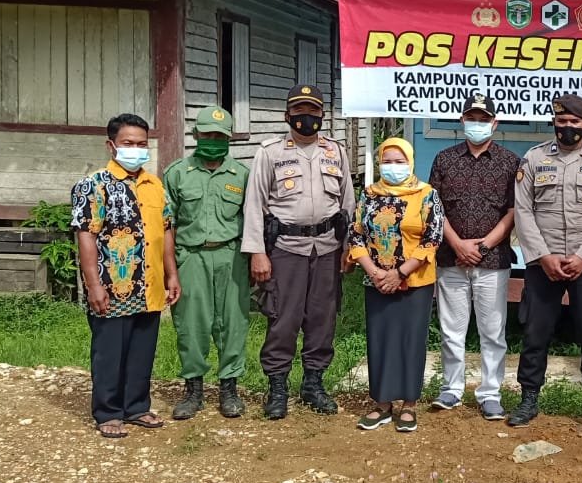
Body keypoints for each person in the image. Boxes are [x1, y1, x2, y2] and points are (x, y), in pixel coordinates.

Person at [510, 93, 582, 431]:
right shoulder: (533, 159)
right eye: (562, 121)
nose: (568, 127)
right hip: (542, 263)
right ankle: (529, 398)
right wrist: (542, 256)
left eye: (575, 122)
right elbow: (523, 210)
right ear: (554, 122)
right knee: (535, 331)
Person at [242, 84, 355, 419]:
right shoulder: (270, 152)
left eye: (313, 110)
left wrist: (349, 246)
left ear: (322, 114)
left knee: (322, 318)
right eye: (299, 110)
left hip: (328, 247)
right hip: (286, 248)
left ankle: (313, 384)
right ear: (287, 115)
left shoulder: (336, 151)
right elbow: (254, 204)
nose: (307, 116)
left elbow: (347, 203)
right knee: (283, 318)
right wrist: (257, 252)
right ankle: (277, 386)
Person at [72, 114, 181, 438]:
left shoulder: (155, 185)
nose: (136, 149)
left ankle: (136, 406)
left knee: (142, 351)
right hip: (112, 286)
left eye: (141, 144)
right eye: (128, 143)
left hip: (149, 286)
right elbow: (86, 236)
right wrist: (93, 285)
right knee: (110, 353)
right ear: (111, 145)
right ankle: (108, 412)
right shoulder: (94, 185)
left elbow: (165, 231)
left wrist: (172, 274)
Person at [427, 95, 520, 421]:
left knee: (492, 332)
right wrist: (457, 245)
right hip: (451, 259)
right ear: (462, 120)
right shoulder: (444, 159)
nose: (477, 124)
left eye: (483, 119)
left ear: (495, 123)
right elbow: (434, 207)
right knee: (451, 331)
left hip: (492, 262)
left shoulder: (510, 162)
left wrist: (482, 247)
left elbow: (514, 211)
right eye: (472, 118)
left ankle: (490, 393)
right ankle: (451, 389)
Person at [349, 138, 445, 433]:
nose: (393, 167)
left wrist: (399, 274)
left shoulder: (426, 194)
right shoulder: (369, 194)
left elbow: (433, 237)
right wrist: (375, 272)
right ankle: (381, 404)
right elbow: (356, 234)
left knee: (410, 341)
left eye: (399, 161)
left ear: (410, 162)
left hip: (415, 282)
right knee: (380, 340)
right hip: (375, 281)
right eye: (387, 161)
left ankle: (409, 404)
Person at [163, 106, 252, 420]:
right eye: (207, 135)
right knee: (192, 323)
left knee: (233, 323)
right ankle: (193, 389)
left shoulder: (242, 175)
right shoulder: (177, 173)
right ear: (196, 134)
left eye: (220, 136)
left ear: (228, 138)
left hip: (231, 255)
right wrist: (171, 271)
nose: (213, 140)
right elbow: (168, 226)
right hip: (191, 256)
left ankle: (229, 388)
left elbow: (253, 221)